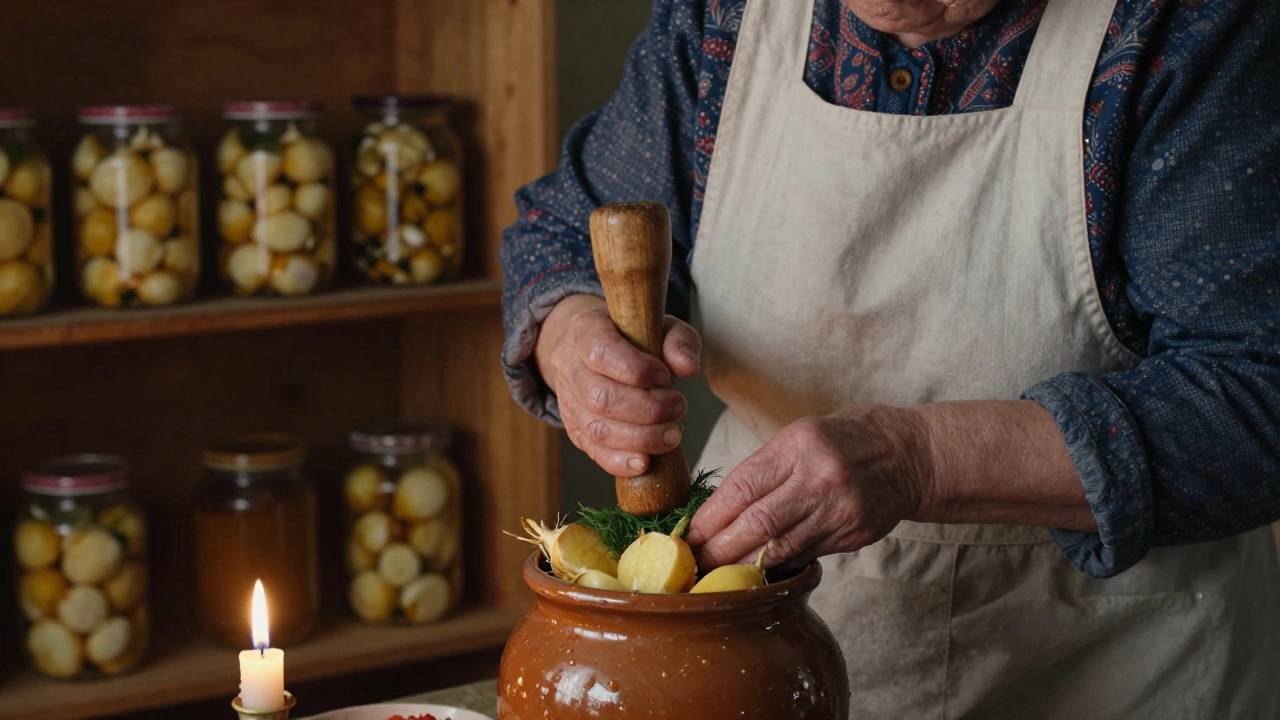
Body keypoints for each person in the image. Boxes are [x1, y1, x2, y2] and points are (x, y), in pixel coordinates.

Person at [499, 0, 1280, 716]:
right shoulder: (724, 17)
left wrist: (922, 459)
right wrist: (571, 332)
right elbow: (566, 228)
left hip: (1113, 665)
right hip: (777, 664)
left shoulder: (1185, 26)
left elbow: (1257, 390)